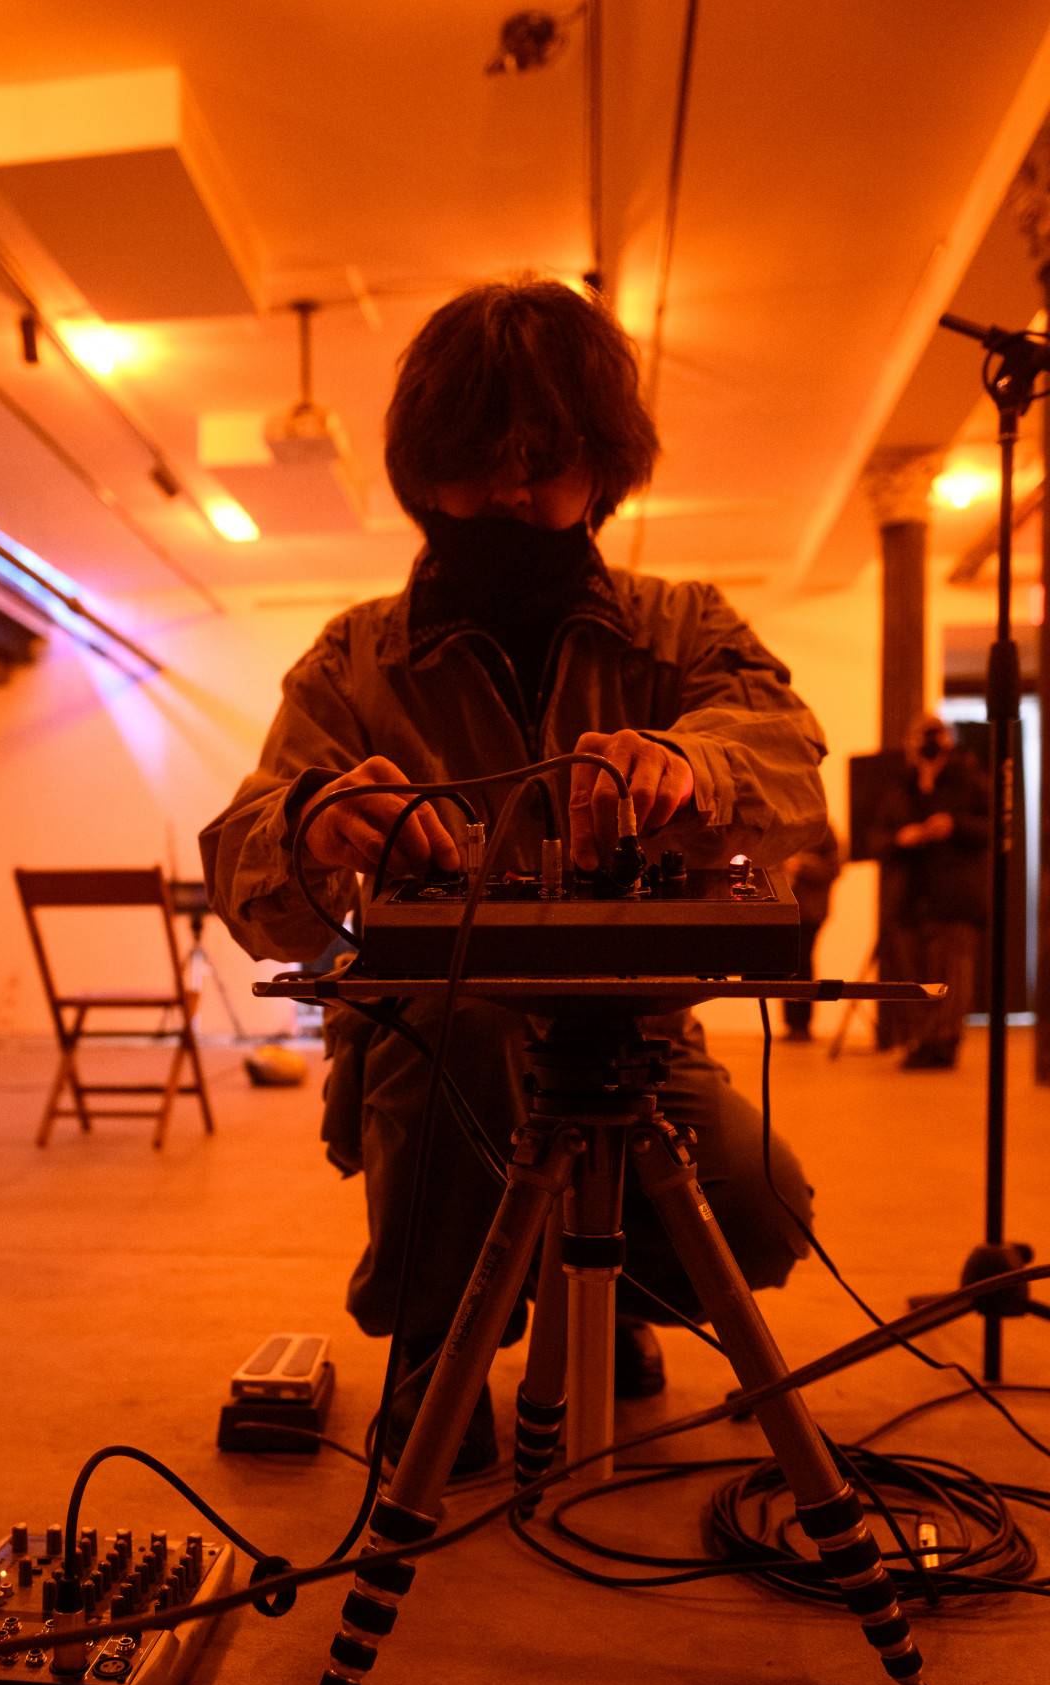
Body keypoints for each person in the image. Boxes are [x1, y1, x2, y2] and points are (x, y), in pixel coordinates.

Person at [201, 278, 828, 1472]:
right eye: (472, 461)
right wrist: (315, 825)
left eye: (541, 462)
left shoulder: (680, 627)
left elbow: (788, 762)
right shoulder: (353, 656)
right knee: (473, 1034)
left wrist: (693, 766)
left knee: (755, 1207)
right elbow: (245, 862)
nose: (506, 494)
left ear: (605, 466)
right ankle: (434, 1348)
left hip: (638, 1037)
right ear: (418, 468)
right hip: (424, 1048)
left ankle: (617, 1301)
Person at [870, 712, 989, 1069]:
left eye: (935, 736)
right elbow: (876, 838)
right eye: (922, 736)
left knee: (951, 973)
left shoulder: (970, 781)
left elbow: (991, 830)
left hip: (955, 898)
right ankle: (921, 1040)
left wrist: (953, 825)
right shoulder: (899, 785)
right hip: (909, 898)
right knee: (915, 975)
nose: (929, 743)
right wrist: (900, 838)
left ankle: (943, 1042)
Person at [780, 823, 842, 1039]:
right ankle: (793, 1024)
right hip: (786, 909)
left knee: (801, 963)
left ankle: (801, 1025)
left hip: (810, 910)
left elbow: (834, 868)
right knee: (788, 964)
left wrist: (800, 866)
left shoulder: (823, 829)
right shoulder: (785, 824)